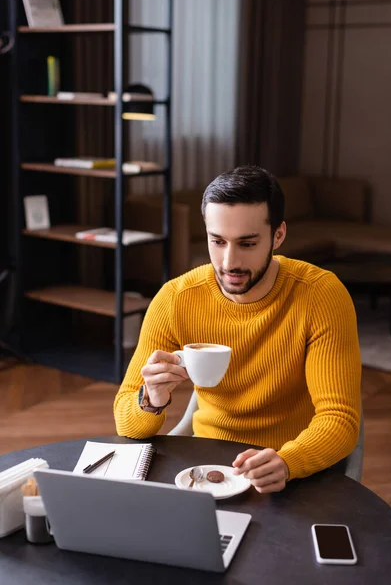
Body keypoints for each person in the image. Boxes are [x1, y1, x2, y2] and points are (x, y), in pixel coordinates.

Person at [114, 165, 361, 494]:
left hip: (292, 472)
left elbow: (340, 419)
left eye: (247, 244)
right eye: (217, 241)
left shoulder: (320, 295)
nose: (229, 262)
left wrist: (289, 462)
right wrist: (152, 399)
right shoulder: (175, 298)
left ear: (278, 235)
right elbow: (125, 420)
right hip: (205, 468)